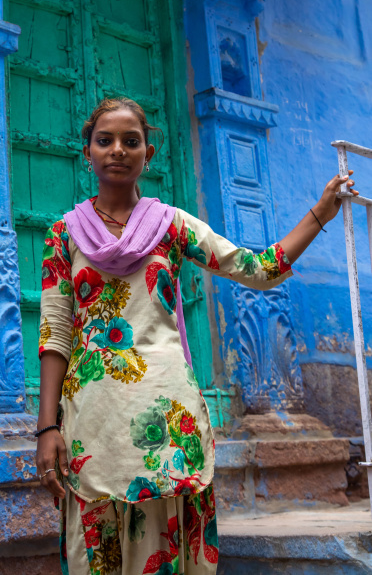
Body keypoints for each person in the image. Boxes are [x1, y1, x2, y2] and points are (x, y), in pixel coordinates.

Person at [35, 97, 358, 575]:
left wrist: (319, 215)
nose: (118, 150)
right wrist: (47, 428)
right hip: (92, 422)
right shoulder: (63, 235)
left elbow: (256, 268)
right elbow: (56, 332)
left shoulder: (172, 226)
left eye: (131, 141)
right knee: (95, 554)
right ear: (87, 152)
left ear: (149, 152)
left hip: (168, 423)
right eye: (105, 141)